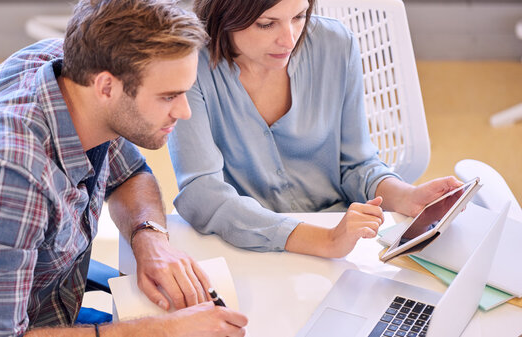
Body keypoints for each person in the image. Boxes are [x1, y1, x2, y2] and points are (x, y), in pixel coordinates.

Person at [0, 0, 248, 336]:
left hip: (50, 304)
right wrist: (162, 331)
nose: (184, 112)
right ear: (106, 87)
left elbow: (130, 174)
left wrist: (149, 238)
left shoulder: (67, 73)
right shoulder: (11, 178)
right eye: (168, 96)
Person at [168, 0, 461, 259]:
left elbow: (356, 165)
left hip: (341, 236)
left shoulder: (335, 44)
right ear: (224, 12)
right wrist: (324, 240)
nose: (289, 39)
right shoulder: (188, 64)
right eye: (267, 24)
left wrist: (407, 197)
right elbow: (203, 194)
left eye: (299, 16)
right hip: (249, 246)